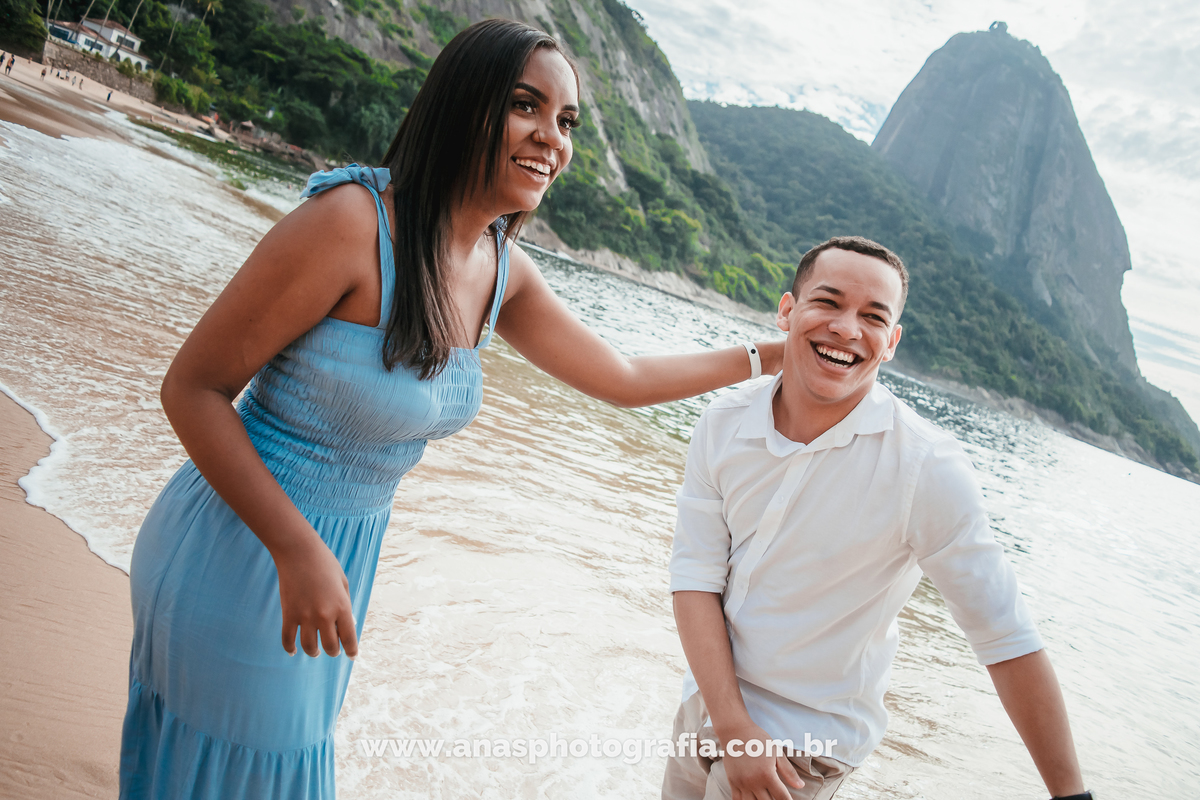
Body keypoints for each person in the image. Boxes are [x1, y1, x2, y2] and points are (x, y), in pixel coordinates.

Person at [119, 18, 782, 800]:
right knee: (252, 774)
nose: (552, 138)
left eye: (566, 122)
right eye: (526, 107)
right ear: (465, 105)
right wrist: (295, 551)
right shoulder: (350, 226)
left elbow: (626, 375)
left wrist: (778, 355)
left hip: (338, 562)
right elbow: (192, 388)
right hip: (245, 542)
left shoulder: (502, 269)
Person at [663, 236, 1091, 800]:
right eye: (828, 302)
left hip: (805, 744)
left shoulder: (924, 467)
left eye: (872, 317)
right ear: (787, 311)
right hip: (707, 708)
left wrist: (1072, 796)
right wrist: (732, 725)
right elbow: (695, 578)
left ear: (890, 343)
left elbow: (1004, 636)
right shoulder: (723, 421)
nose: (846, 328)